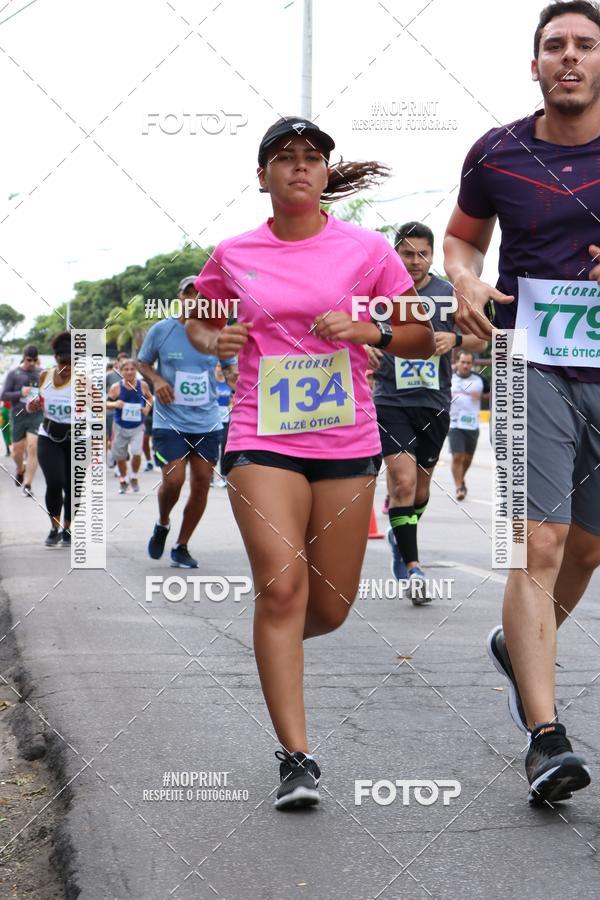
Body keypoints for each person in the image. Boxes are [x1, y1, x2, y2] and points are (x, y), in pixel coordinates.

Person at [186, 116, 434, 809]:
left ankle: (277, 640)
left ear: (326, 173)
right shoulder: (234, 253)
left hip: (345, 442)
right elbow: (196, 312)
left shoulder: (365, 251)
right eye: (285, 156)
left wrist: (369, 329)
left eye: (312, 156)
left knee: (328, 607)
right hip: (260, 436)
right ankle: (297, 757)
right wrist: (211, 339)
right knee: (282, 590)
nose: (299, 165)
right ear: (262, 175)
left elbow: (419, 333)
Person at [444, 0, 600, 804]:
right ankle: (546, 738)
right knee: (538, 542)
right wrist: (465, 279)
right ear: (535, 64)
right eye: (555, 45)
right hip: (530, 359)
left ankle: (518, 643)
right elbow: (463, 237)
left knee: (586, 550)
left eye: (585, 45)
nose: (569, 57)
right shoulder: (498, 152)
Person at [371, 222, 486, 602]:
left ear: (433, 256)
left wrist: (455, 338)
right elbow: (354, 327)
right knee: (402, 482)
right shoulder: (379, 291)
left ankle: (399, 535)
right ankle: (412, 567)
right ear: (396, 254)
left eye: (422, 254)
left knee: (420, 491)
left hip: (434, 403)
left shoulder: (448, 293)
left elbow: (481, 338)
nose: (415, 261)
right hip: (391, 400)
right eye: (407, 253)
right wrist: (365, 346)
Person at [136, 276, 237, 568]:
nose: (194, 298)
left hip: (207, 420)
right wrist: (157, 381)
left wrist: (236, 381)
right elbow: (143, 362)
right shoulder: (162, 329)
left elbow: (230, 368)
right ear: (179, 296)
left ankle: (181, 545)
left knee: (202, 483)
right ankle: (163, 522)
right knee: (174, 480)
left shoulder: (218, 331)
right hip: (170, 420)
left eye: (200, 294)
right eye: (188, 293)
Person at [26, 332, 72, 547]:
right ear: (56, 359)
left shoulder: (83, 381)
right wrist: (33, 405)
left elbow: (97, 408)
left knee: (73, 487)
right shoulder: (45, 376)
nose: (68, 367)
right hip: (49, 436)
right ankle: (54, 528)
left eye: (73, 363)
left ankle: (67, 529)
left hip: (77, 439)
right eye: (64, 363)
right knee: (55, 482)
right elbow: (32, 403)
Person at [1, 345, 43, 496]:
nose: (31, 363)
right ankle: (20, 469)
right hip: (18, 415)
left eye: (34, 360)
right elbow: (3, 395)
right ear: (24, 358)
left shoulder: (41, 373)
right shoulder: (14, 374)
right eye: (29, 360)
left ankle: (28, 485)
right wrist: (20, 393)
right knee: (16, 452)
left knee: (33, 446)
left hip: (36, 415)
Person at [106, 358, 152, 493]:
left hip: (138, 426)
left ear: (136, 371)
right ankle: (124, 479)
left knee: (137, 452)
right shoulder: (116, 387)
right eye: (126, 369)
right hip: (120, 426)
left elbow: (150, 398)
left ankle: (134, 476)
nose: (129, 372)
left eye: (132, 369)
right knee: (120, 456)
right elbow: (106, 403)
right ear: (121, 371)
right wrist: (115, 404)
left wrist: (147, 408)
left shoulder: (142, 385)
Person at [449, 350, 490, 500]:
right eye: (463, 362)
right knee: (457, 456)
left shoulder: (479, 379)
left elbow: (491, 394)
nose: (465, 366)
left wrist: (483, 396)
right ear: (457, 362)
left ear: (472, 364)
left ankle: (461, 479)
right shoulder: (449, 377)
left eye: (468, 363)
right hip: (454, 424)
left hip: (472, 424)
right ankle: (459, 487)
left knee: (467, 459)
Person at [213, 363, 232, 486]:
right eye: (217, 366)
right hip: (212, 420)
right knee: (212, 447)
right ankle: (209, 476)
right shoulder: (212, 382)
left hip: (225, 419)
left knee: (224, 447)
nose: (219, 369)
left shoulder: (228, 383)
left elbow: (233, 398)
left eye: (221, 367)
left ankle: (223, 476)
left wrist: (231, 405)